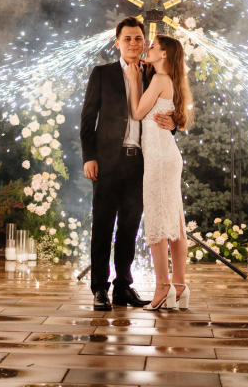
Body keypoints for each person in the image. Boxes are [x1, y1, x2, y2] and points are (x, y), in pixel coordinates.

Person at [81, 17, 177, 311]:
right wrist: (90, 157)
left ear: (144, 43)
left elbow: (167, 112)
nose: (134, 44)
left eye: (138, 39)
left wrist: (173, 124)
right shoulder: (102, 74)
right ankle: (100, 288)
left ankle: (123, 287)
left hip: (140, 164)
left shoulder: (153, 75)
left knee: (129, 228)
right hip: (108, 162)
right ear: (118, 43)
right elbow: (87, 119)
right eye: (128, 39)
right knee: (102, 227)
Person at [126, 34, 192, 310]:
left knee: (156, 223)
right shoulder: (172, 80)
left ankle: (163, 287)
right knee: (175, 224)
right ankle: (179, 286)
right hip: (167, 155)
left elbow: (138, 112)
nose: (147, 49)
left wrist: (132, 80)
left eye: (153, 46)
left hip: (158, 159)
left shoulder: (160, 80)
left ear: (164, 54)